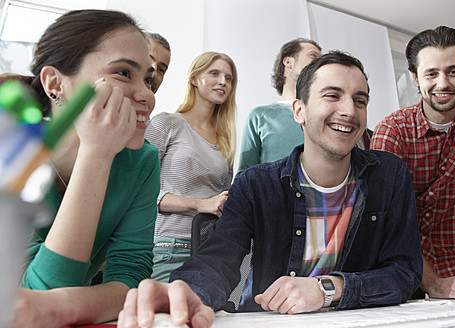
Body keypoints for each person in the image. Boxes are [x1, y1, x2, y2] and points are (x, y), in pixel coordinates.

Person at [118, 51, 422, 327]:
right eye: (332, 96)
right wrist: (188, 292)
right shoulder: (255, 185)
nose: (349, 111)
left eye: (360, 100)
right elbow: (216, 261)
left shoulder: (390, 175)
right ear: (299, 111)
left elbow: (405, 272)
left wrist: (327, 288)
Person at [8, 9, 160, 326]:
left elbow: (131, 281)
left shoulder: (142, 161)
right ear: (55, 84)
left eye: (148, 78)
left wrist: (59, 305)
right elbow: (30, 294)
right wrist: (96, 153)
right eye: (122, 73)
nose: (146, 94)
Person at [370, 26, 455, 300]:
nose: (443, 83)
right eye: (431, 74)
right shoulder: (392, 130)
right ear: (415, 78)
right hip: (404, 266)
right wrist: (434, 282)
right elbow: (384, 219)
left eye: (452, 71)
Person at [145, 51, 237, 283]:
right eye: (214, 73)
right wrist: (200, 204)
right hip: (167, 249)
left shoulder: (226, 140)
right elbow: (139, 194)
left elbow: (220, 203)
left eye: (229, 78)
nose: (223, 82)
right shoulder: (167, 124)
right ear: (194, 79)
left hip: (209, 252)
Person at [237, 38, 321, 173]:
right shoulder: (259, 116)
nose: (319, 64)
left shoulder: (324, 114)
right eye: (313, 56)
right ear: (288, 62)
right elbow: (244, 174)